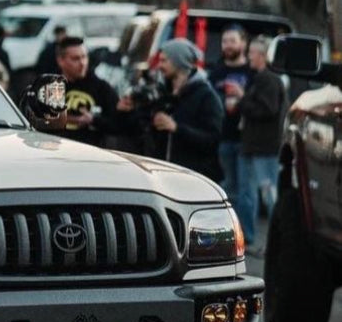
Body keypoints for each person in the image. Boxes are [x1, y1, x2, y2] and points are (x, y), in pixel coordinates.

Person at [126, 37, 224, 178]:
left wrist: (177, 128)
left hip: (196, 177)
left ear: (179, 62)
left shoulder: (206, 96)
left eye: (164, 61)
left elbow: (212, 139)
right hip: (164, 175)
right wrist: (129, 110)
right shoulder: (163, 93)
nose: (159, 66)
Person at [237, 36, 285, 251]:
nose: (248, 57)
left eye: (252, 53)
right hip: (254, 146)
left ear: (263, 56)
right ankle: (250, 238)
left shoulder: (268, 80)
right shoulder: (260, 78)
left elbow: (269, 109)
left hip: (263, 148)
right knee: (250, 193)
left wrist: (242, 99)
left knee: (267, 195)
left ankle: (276, 243)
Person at [206, 24, 251, 207]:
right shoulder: (216, 73)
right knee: (227, 187)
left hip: (246, 139)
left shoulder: (252, 72)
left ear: (244, 44)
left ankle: (247, 234)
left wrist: (242, 97)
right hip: (223, 138)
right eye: (225, 41)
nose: (228, 45)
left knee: (246, 190)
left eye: (233, 41)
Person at [54, 36, 123, 146]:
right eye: (75, 58)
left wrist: (94, 120)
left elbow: (119, 124)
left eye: (84, 57)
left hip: (91, 151)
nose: (82, 63)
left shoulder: (101, 88)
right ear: (61, 61)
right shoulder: (50, 86)